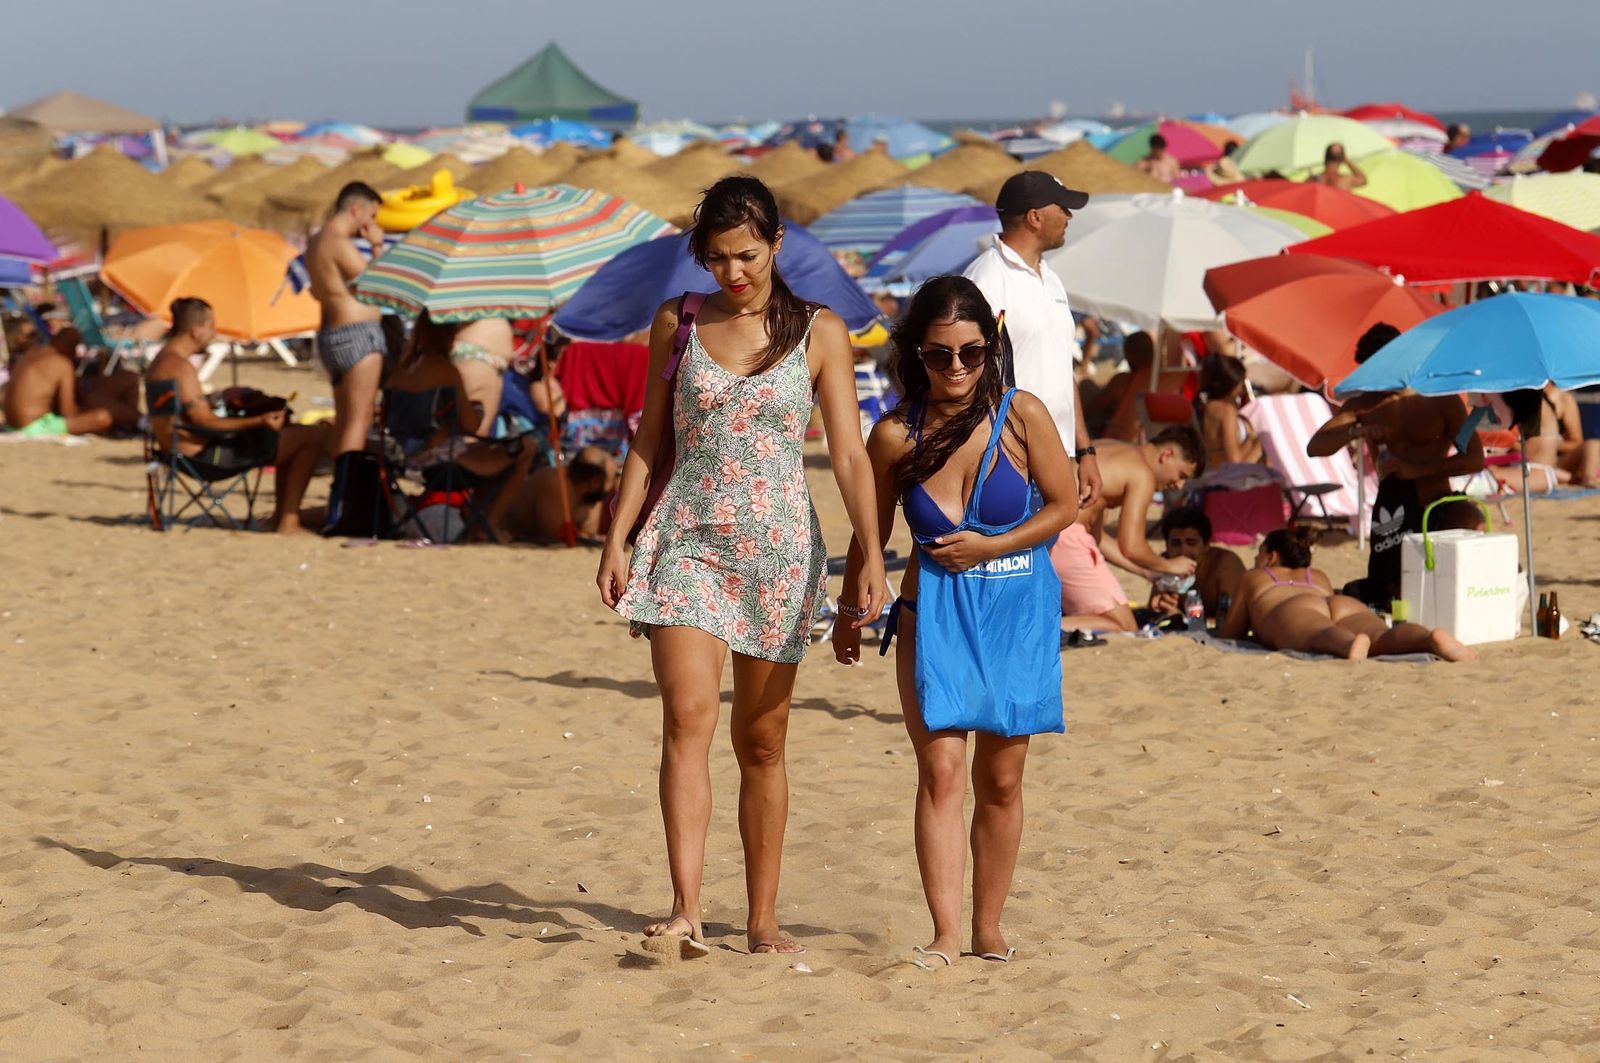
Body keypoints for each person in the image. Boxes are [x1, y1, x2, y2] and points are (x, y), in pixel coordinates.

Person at [597, 175, 887, 957]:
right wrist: (618, 535)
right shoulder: (676, 324)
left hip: (781, 554)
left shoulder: (820, 333)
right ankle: (687, 906)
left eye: (747, 255)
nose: (734, 273)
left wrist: (869, 554)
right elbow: (649, 440)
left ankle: (762, 916)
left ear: (777, 244)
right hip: (686, 541)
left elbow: (853, 456)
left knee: (761, 739)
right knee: (688, 716)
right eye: (718, 258)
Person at [832, 275, 1078, 968]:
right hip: (930, 610)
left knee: (1001, 779)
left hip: (1016, 612)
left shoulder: (1022, 415)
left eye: (972, 352)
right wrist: (853, 612)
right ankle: (945, 930)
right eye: (940, 355)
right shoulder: (895, 434)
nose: (958, 369)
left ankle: (988, 926)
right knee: (941, 771)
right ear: (917, 352)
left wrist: (991, 544)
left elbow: (1063, 507)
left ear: (991, 342)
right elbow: (869, 535)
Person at [1308, 323, 1484, 608]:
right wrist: (1356, 432)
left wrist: (1416, 469)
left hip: (1437, 502)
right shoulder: (1363, 405)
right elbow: (1315, 447)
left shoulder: (1442, 399)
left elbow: (1476, 458)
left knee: (1470, 518)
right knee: (1394, 596)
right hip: (1395, 510)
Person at [963, 171, 1102, 509]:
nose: (1069, 217)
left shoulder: (1050, 277)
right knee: (1005, 558)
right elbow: (968, 374)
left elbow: (1060, 369)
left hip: (1055, 454)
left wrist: (1084, 450)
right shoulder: (986, 278)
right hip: (1007, 455)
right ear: (1035, 217)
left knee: (1040, 554)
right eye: (1063, 208)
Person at [145, 298, 329, 533]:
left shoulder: (160, 362)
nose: (214, 333)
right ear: (196, 330)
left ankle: (280, 518)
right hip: (204, 458)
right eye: (212, 326)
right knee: (310, 437)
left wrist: (221, 401)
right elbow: (204, 421)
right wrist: (258, 421)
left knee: (291, 435)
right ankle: (287, 521)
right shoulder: (180, 367)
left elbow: (189, 413)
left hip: (176, 451)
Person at [1217, 526, 1476, 662]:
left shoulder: (1254, 577)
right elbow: (1327, 610)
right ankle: (1429, 638)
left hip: (1292, 608)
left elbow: (1232, 633)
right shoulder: (1317, 575)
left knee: (1320, 632)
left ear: (1271, 556)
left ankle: (1347, 644)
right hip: (1337, 602)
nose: (1255, 558)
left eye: (1259, 552)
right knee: (1381, 636)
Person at [386, 311, 532, 542]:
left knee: (487, 452)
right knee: (524, 447)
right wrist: (478, 410)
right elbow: (472, 425)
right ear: (449, 336)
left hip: (400, 460)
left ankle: (476, 520)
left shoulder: (400, 372)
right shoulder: (445, 371)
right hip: (437, 461)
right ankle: (488, 523)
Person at [1058, 426, 1203, 633]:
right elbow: (1132, 546)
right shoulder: (1141, 472)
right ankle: (1032, 631)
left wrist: (1150, 572)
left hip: (1050, 530)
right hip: (1066, 536)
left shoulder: (1112, 450)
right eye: (1181, 475)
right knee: (1123, 625)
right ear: (1167, 454)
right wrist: (1170, 565)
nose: (1179, 485)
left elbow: (1097, 539)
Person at [306, 181, 392, 458]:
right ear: (357, 210)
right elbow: (374, 285)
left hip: (332, 334)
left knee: (344, 419)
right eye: (372, 215)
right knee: (360, 418)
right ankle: (346, 488)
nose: (372, 222)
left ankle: (340, 488)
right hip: (357, 334)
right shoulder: (338, 242)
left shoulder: (316, 241)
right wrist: (377, 246)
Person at [2, 326, 139, 436]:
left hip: (11, 423)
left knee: (96, 403)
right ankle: (138, 421)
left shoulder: (32, 353)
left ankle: (137, 421)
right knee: (103, 417)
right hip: (34, 426)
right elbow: (68, 412)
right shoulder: (62, 363)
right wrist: (89, 409)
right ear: (72, 348)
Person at [1146, 506, 1246, 619]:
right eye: (1176, 543)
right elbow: (1153, 611)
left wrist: (1182, 618)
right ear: (1167, 546)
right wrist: (1161, 608)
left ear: (1206, 544)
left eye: (1191, 542)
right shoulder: (1165, 564)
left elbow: (1233, 619)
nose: (1183, 551)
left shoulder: (1224, 564)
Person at [503, 445, 616, 542]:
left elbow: (588, 534)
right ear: (595, 482)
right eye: (612, 478)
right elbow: (551, 537)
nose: (612, 486)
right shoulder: (555, 482)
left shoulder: (586, 497)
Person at [1525, 382, 1600, 487]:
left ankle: (1590, 480)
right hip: (1531, 459)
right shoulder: (1517, 398)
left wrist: (1549, 443)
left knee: (1593, 445)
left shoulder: (1562, 398)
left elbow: (1576, 442)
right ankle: (1581, 479)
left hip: (1556, 459)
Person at [1197, 353, 1263, 468]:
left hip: (1213, 472)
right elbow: (1234, 462)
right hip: (1231, 477)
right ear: (1230, 383)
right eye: (1241, 381)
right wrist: (1256, 442)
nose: (1242, 386)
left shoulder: (1207, 407)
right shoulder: (1227, 411)